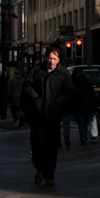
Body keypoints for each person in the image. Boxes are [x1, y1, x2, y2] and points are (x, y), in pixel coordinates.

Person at [24, 45, 73, 186]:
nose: (52, 61)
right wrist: (36, 99)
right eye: (50, 58)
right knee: (37, 145)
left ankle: (49, 174)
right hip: (38, 114)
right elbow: (27, 85)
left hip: (53, 114)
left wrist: (58, 102)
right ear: (46, 58)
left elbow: (69, 92)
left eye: (55, 59)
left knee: (51, 147)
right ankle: (39, 168)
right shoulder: (37, 70)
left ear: (59, 59)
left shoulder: (63, 73)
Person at [71, 69, 98, 145]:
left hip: (79, 108)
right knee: (85, 122)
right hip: (89, 108)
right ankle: (84, 135)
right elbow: (93, 98)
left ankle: (83, 136)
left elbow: (74, 98)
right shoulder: (89, 87)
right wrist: (94, 108)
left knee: (81, 123)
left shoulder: (76, 87)